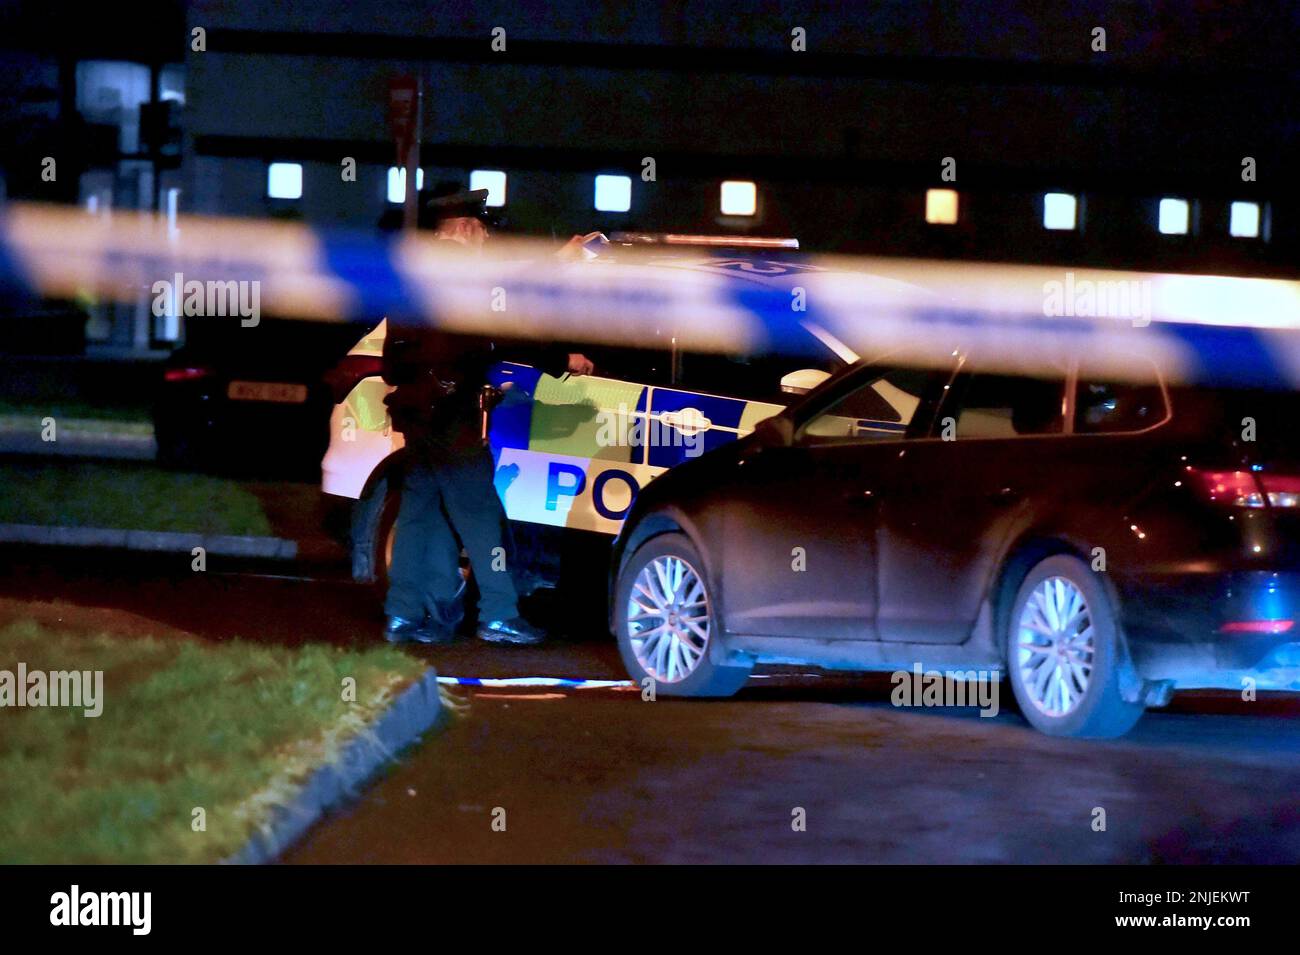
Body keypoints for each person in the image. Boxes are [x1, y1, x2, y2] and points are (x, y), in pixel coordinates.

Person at [382, 185, 593, 646]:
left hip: (419, 415)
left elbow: (394, 360)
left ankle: (401, 616)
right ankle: (498, 615)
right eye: (482, 230)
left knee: (419, 516)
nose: (486, 241)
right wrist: (563, 356)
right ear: (463, 228)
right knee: (480, 517)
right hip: (450, 416)